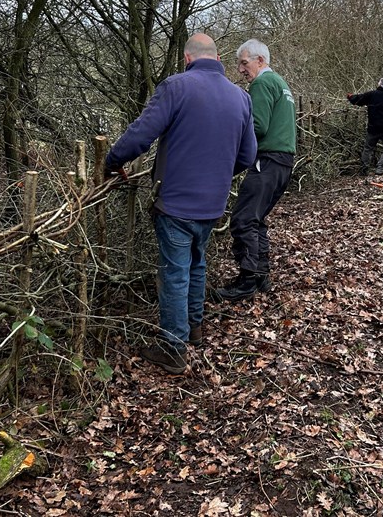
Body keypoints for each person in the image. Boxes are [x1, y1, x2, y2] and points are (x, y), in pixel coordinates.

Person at [105, 33, 257, 374]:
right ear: (217, 59)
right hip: (213, 203)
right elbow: (247, 155)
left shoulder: (176, 87)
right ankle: (195, 327)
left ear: (187, 59)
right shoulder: (240, 98)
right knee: (197, 262)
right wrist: (218, 175)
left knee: (175, 271)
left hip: (175, 201)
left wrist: (113, 160)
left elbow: (142, 134)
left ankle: (173, 347)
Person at [215, 39, 296, 301]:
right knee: (256, 218)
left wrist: (229, 143)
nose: (240, 69)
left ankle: (247, 281)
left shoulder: (262, 83)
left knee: (243, 219)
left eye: (244, 62)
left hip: (268, 160)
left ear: (260, 61)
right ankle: (261, 275)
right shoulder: (281, 83)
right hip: (283, 162)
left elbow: (257, 126)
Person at [347, 76, 383, 175]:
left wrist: (350, 96)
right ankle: (380, 168)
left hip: (373, 128)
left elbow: (357, 100)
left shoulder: (372, 94)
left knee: (368, 149)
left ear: (380, 84)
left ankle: (364, 169)